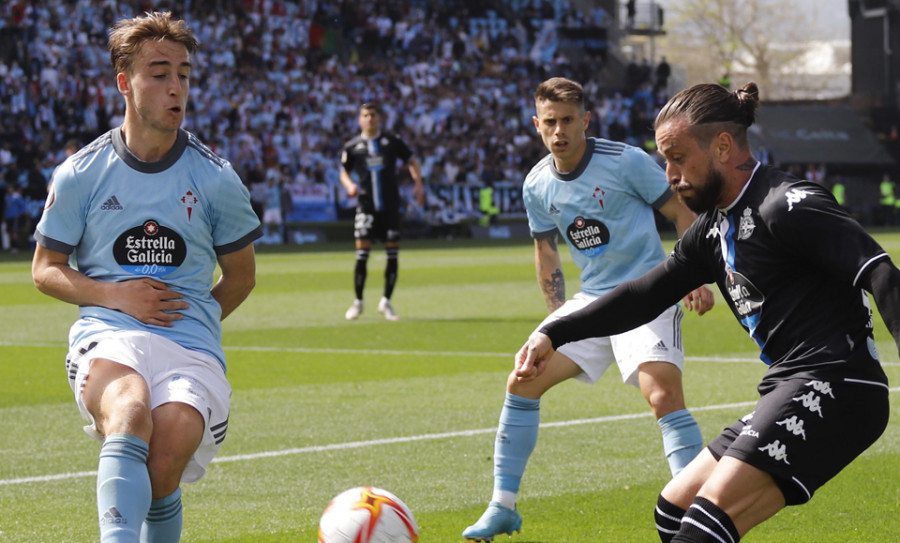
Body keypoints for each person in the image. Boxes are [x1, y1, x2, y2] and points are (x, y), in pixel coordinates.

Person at [516, 82, 899, 543]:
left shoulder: (787, 204)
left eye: (677, 157)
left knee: (704, 524)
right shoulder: (711, 230)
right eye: (664, 161)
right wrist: (554, 332)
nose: (670, 174)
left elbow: (880, 272)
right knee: (674, 510)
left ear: (721, 146)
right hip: (789, 381)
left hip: (839, 382)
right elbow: (642, 295)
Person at [31, 11, 261, 543]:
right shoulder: (80, 174)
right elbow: (45, 270)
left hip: (189, 342)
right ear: (124, 84)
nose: (175, 87)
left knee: (165, 462)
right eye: (159, 73)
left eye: (183, 73)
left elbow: (242, 277)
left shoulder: (217, 178)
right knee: (130, 407)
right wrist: (116, 296)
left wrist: (190, 318)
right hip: (109, 334)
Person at [462, 77, 715, 541]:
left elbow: (682, 215)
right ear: (537, 125)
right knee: (523, 377)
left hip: (648, 292)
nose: (559, 131)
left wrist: (693, 275)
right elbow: (546, 252)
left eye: (568, 121)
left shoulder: (626, 162)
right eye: (550, 123)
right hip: (593, 300)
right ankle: (502, 506)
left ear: (586, 121)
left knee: (661, 395)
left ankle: (698, 510)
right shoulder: (536, 184)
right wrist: (560, 319)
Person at [339, 102, 424, 321]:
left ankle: (386, 301)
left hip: (390, 206)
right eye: (365, 115)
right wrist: (349, 186)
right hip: (366, 206)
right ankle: (358, 301)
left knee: (392, 253)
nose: (369, 119)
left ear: (379, 118)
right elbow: (343, 172)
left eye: (373, 115)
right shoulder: (352, 146)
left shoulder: (391, 142)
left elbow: (412, 160)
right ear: (360, 119)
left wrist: (418, 184)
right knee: (362, 253)